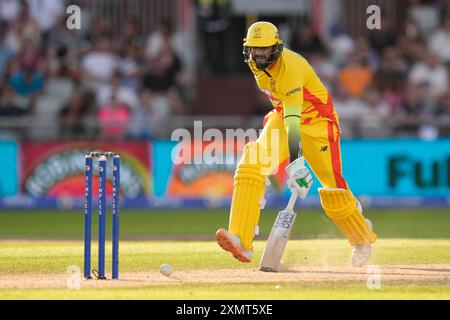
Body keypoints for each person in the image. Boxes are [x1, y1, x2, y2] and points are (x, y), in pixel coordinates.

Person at [215, 21, 377, 268]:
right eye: (253, 50)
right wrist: (296, 161)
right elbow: (286, 113)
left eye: (263, 50)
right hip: (283, 116)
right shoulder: (253, 63)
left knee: (333, 192)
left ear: (276, 48)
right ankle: (241, 240)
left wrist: (295, 162)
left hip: (317, 123)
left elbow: (294, 119)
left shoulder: (291, 67)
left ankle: (361, 238)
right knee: (251, 164)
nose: (257, 56)